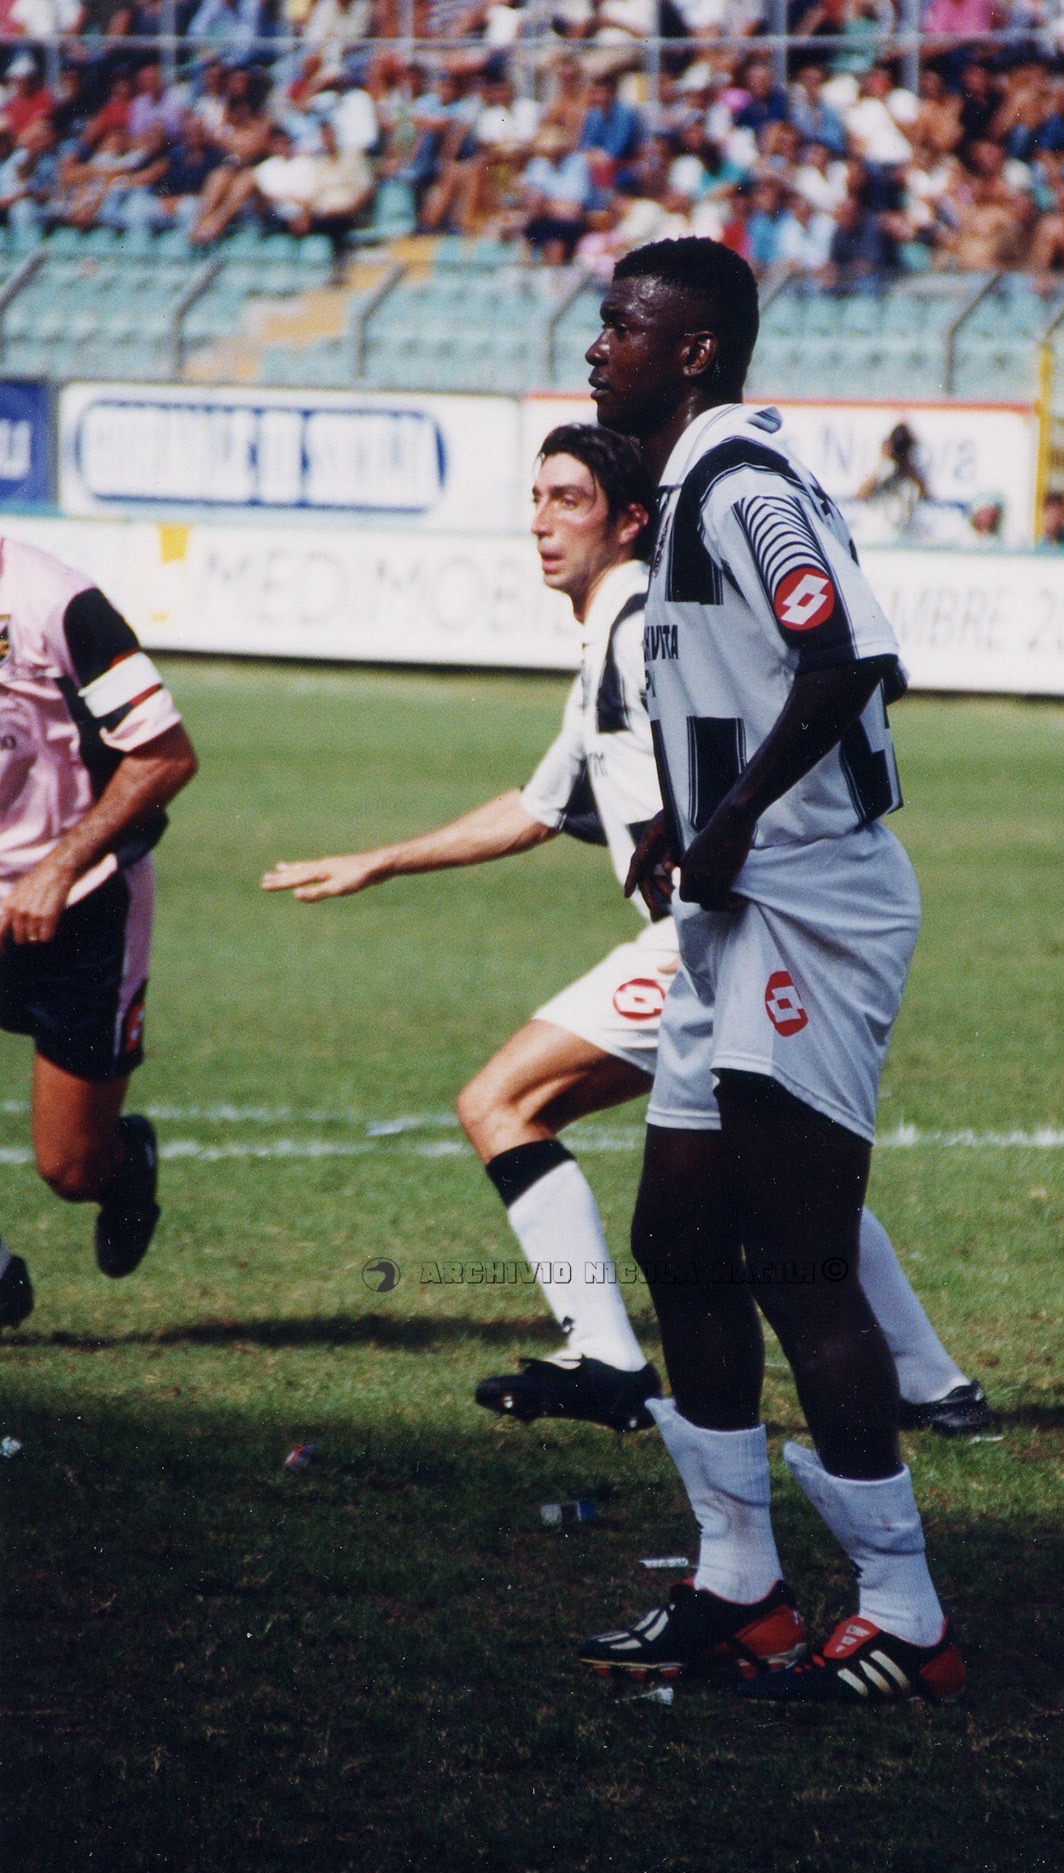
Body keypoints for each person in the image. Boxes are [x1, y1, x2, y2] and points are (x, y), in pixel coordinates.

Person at [263, 423, 990, 1444]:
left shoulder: (646, 625)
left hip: (716, 935)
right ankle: (931, 1384)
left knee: (504, 1101)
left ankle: (609, 1357)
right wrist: (381, 861)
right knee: (773, 1164)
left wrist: (719, 838)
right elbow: (538, 807)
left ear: (630, 521)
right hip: (704, 938)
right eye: (535, 498)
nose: (541, 521)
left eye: (569, 500)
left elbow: (761, 728)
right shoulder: (614, 630)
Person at [578, 236, 966, 1707]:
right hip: (730, 903)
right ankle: (738, 1585)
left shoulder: (743, 483)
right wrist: (686, 816)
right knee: (679, 1240)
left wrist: (732, 817)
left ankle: (907, 1614)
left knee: (799, 1260)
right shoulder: (682, 493)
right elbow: (735, 690)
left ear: (695, 352)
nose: (597, 345)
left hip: (810, 903)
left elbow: (847, 656)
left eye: (623, 325)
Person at [0, 537, 198, 1330]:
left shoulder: (58, 604)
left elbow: (165, 756)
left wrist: (57, 867)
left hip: (81, 903)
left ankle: (124, 1166)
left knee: (69, 1165)